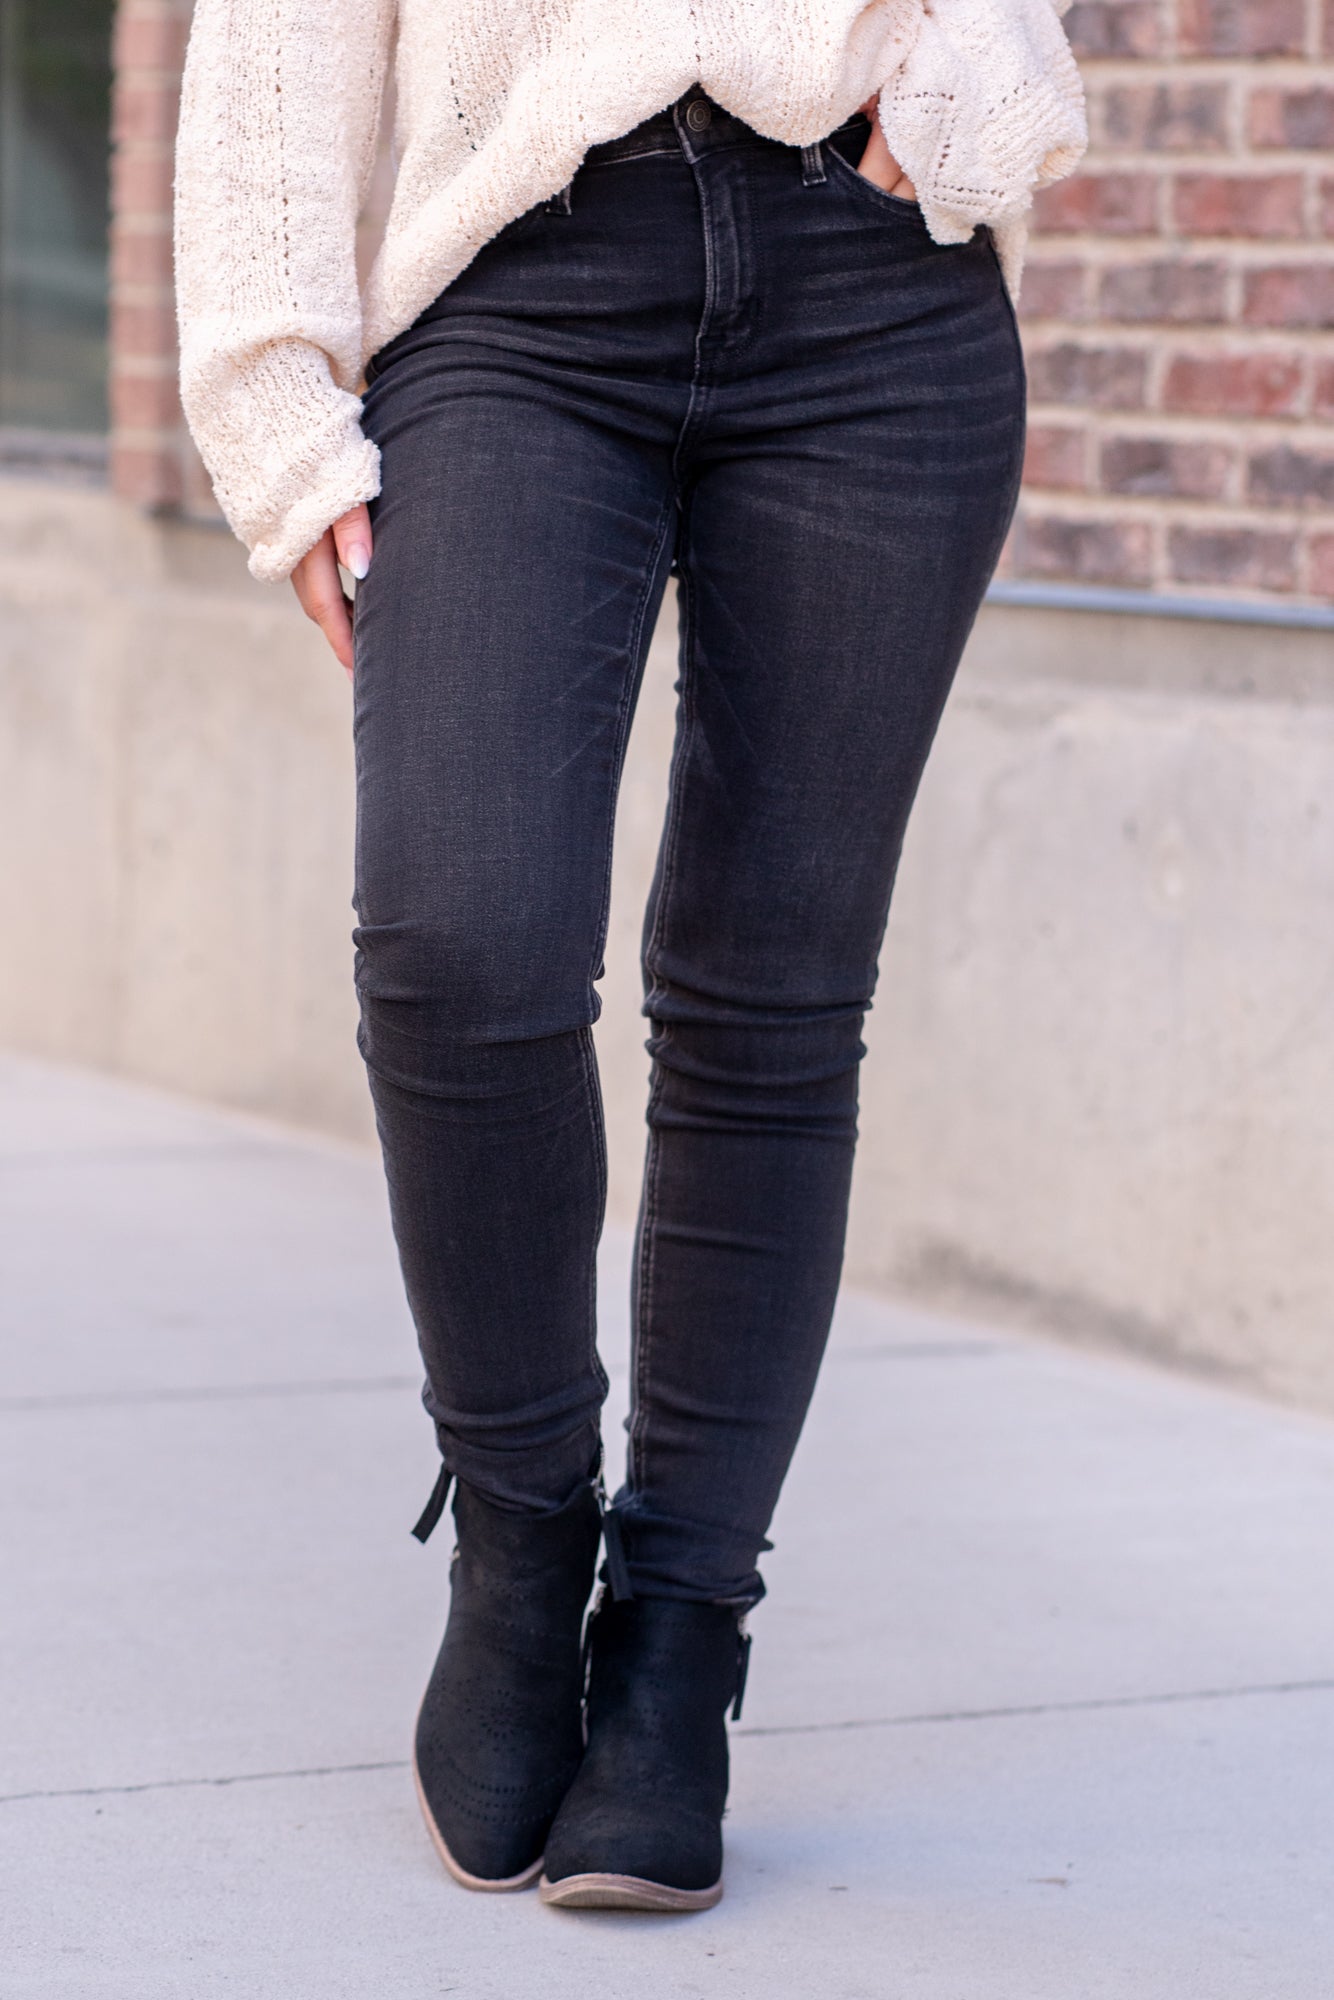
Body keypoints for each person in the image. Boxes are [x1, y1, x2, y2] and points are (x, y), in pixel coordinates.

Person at [174, 0, 1085, 1914]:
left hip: (872, 293)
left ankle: (677, 1630)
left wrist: (962, 86)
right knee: (457, 944)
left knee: (772, 998)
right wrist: (276, 398)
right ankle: (522, 1544)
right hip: (513, 291)